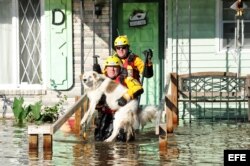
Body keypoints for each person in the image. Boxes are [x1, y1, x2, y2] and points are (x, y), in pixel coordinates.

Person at [94, 55, 144, 141]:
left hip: (123, 114)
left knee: (122, 139)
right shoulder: (101, 79)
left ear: (120, 68)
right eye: (110, 67)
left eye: (115, 67)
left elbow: (138, 88)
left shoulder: (127, 78)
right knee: (99, 137)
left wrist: (125, 98)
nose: (112, 70)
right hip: (107, 113)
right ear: (106, 68)